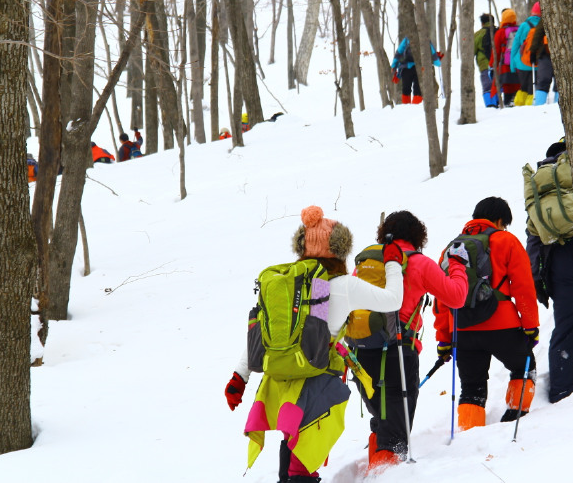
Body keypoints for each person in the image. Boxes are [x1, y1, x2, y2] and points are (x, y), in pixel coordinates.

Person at [224, 206, 404, 482]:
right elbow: (393, 301)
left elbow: (263, 330)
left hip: (283, 377)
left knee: (291, 443)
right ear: (339, 249)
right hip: (318, 376)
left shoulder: (288, 282)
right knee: (304, 458)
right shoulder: (344, 285)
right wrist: (392, 262)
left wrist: (240, 376)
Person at [352, 210, 467, 471]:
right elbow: (457, 297)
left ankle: (375, 469)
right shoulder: (419, 263)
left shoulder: (367, 264)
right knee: (394, 431)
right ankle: (385, 474)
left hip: (361, 352)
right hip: (399, 354)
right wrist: (457, 267)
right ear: (417, 235)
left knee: (382, 419)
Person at [433, 197, 540, 430]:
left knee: (471, 386)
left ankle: (469, 434)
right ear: (500, 220)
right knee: (524, 365)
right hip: (502, 326)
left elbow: (442, 298)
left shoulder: (451, 248)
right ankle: (515, 417)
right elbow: (523, 287)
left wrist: (444, 337)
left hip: (461, 328)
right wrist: (530, 325)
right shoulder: (506, 240)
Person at [525, 140, 573, 403]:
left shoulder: (541, 190)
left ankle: (562, 392)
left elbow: (534, 237)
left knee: (566, 330)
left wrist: (538, 280)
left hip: (560, 265)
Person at [391, 37, 442, 105]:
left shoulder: (407, 39)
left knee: (406, 89)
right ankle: (416, 107)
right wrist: (438, 62)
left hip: (406, 67)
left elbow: (399, 52)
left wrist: (394, 66)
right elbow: (432, 53)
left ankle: (406, 108)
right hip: (420, 68)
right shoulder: (425, 38)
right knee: (418, 89)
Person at [510, 2, 541, 106]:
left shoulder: (524, 25)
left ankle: (519, 104)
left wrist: (513, 64)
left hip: (522, 62)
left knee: (523, 87)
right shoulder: (545, 25)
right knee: (533, 88)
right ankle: (530, 104)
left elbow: (515, 45)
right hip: (537, 62)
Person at [491, 9, 520, 106]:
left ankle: (507, 104)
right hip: (520, 64)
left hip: (505, 65)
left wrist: (492, 65)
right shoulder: (520, 29)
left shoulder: (500, 32)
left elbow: (496, 51)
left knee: (508, 87)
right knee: (518, 87)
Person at [474, 13, 499, 107]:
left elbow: (472, 51)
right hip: (499, 63)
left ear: (482, 23)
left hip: (484, 64)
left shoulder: (478, 35)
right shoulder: (499, 31)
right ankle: (499, 102)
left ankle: (490, 105)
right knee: (498, 84)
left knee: (487, 86)